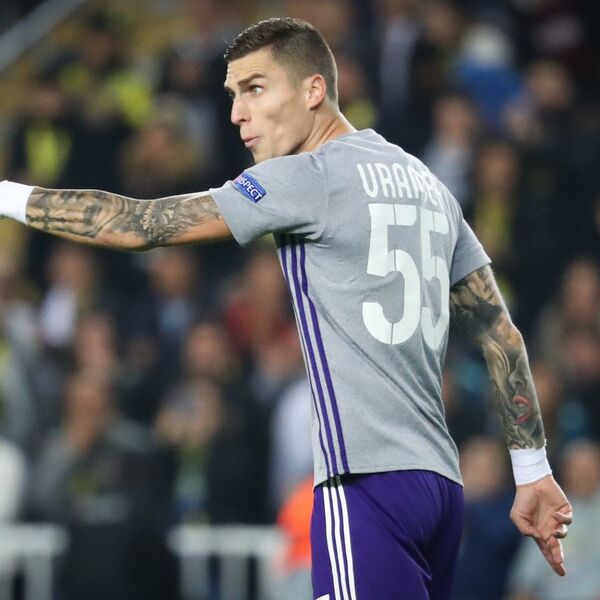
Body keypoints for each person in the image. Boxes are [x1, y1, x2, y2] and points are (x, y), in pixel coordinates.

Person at [0, 17, 572, 600]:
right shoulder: (427, 183)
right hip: (439, 491)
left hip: (365, 485)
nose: (237, 114)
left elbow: (139, 224)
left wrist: (6, 194)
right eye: (232, 95)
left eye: (255, 89)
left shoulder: (306, 177)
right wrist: (532, 471)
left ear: (313, 90)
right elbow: (501, 334)